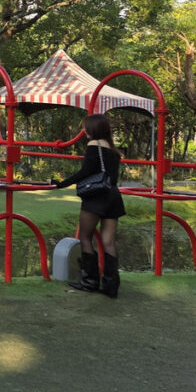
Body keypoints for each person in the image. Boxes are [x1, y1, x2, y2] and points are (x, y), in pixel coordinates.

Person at [52, 113, 125, 298]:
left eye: (86, 127)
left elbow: (85, 171)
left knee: (85, 236)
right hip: (113, 197)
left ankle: (90, 281)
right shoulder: (113, 149)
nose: (84, 131)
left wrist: (61, 184)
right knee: (108, 242)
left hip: (96, 198)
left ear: (93, 129)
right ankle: (111, 285)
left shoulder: (94, 145)